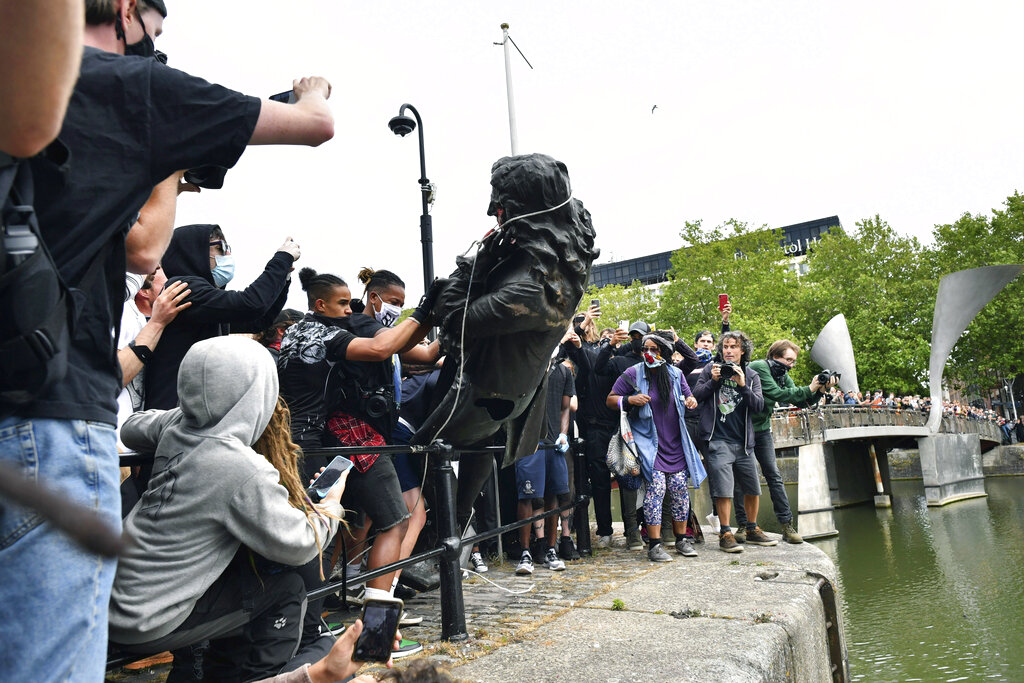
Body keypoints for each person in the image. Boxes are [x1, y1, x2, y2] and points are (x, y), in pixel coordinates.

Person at [0, 0, 335, 676]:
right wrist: (311, 90)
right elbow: (315, 126)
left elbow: (148, 421)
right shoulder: (134, 90)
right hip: (54, 419)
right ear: (128, 11)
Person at [110, 337, 344, 680]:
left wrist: (200, 409)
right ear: (257, 393)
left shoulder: (178, 427)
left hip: (120, 597)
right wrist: (330, 508)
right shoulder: (241, 467)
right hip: (148, 619)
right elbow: (300, 544)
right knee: (285, 589)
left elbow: (131, 428)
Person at [277, 267, 444, 658]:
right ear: (320, 304)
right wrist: (426, 309)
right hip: (341, 436)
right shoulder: (330, 331)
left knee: (321, 529)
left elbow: (409, 350)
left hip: (300, 443)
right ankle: (376, 636)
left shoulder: (298, 331)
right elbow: (380, 349)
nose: (348, 309)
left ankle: (308, 631)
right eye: (341, 303)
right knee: (394, 521)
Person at [144, 225, 298, 409]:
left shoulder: (203, 299)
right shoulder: (185, 288)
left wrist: (284, 278)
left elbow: (258, 321)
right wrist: (281, 260)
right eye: (219, 248)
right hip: (171, 414)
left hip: (183, 413)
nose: (226, 256)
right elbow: (251, 304)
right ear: (194, 252)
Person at [607, 331, 706, 561]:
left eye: (654, 349)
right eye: (645, 349)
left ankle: (681, 540)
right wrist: (629, 400)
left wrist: (690, 400)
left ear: (665, 352)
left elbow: (689, 397)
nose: (649, 353)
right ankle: (654, 545)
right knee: (656, 491)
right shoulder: (633, 373)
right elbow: (611, 399)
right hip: (649, 444)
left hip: (675, 443)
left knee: (680, 491)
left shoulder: (676, 374)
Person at [738, 340, 834, 544]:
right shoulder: (758, 367)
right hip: (742, 429)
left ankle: (787, 526)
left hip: (762, 429)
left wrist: (820, 390)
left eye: (793, 361)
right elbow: (777, 394)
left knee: (774, 475)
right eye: (788, 360)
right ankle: (742, 525)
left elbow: (801, 400)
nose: (791, 364)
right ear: (775, 356)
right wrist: (810, 387)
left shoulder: (783, 374)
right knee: (745, 478)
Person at [692, 331, 769, 553]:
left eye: (733, 346)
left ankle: (752, 529)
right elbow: (697, 395)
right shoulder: (710, 370)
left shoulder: (752, 374)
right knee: (723, 490)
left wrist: (743, 385)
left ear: (742, 350)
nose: (728, 350)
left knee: (753, 488)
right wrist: (715, 382)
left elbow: (758, 406)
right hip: (718, 439)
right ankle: (726, 533)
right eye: (725, 346)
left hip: (744, 442)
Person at [592, 321, 651, 549]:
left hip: (648, 428)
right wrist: (612, 344)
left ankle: (646, 527)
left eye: (641, 336)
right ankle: (618, 530)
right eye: (633, 336)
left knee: (648, 479)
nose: (637, 340)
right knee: (624, 478)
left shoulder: (654, 363)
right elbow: (599, 368)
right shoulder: (620, 363)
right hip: (619, 426)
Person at [514, 352, 574, 575]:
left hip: (554, 442)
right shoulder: (525, 363)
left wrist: (563, 434)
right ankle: (525, 552)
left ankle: (550, 549)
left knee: (555, 495)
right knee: (528, 495)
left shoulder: (563, 370)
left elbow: (565, 407)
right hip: (529, 441)